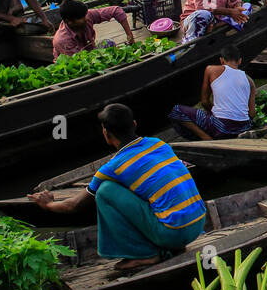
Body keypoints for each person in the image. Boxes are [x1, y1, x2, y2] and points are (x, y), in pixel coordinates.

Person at [29, 103, 206, 270]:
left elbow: (73, 205)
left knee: (105, 191)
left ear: (106, 134)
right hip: (198, 224)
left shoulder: (113, 167)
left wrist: (47, 204)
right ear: (134, 124)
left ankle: (144, 254)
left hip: (173, 233)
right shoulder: (159, 144)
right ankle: (169, 243)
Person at [168, 46, 257, 140]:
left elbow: (204, 101)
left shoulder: (211, 70)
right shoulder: (250, 81)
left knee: (176, 110)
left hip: (221, 128)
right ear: (239, 61)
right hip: (244, 127)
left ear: (221, 60)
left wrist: (212, 113)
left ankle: (206, 138)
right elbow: (252, 113)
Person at [53, 0, 134, 59]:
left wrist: (129, 35)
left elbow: (116, 10)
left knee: (109, 43)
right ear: (69, 21)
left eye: (84, 16)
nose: (86, 19)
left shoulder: (86, 16)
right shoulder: (62, 40)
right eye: (81, 18)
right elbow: (77, 62)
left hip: (91, 53)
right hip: (74, 64)